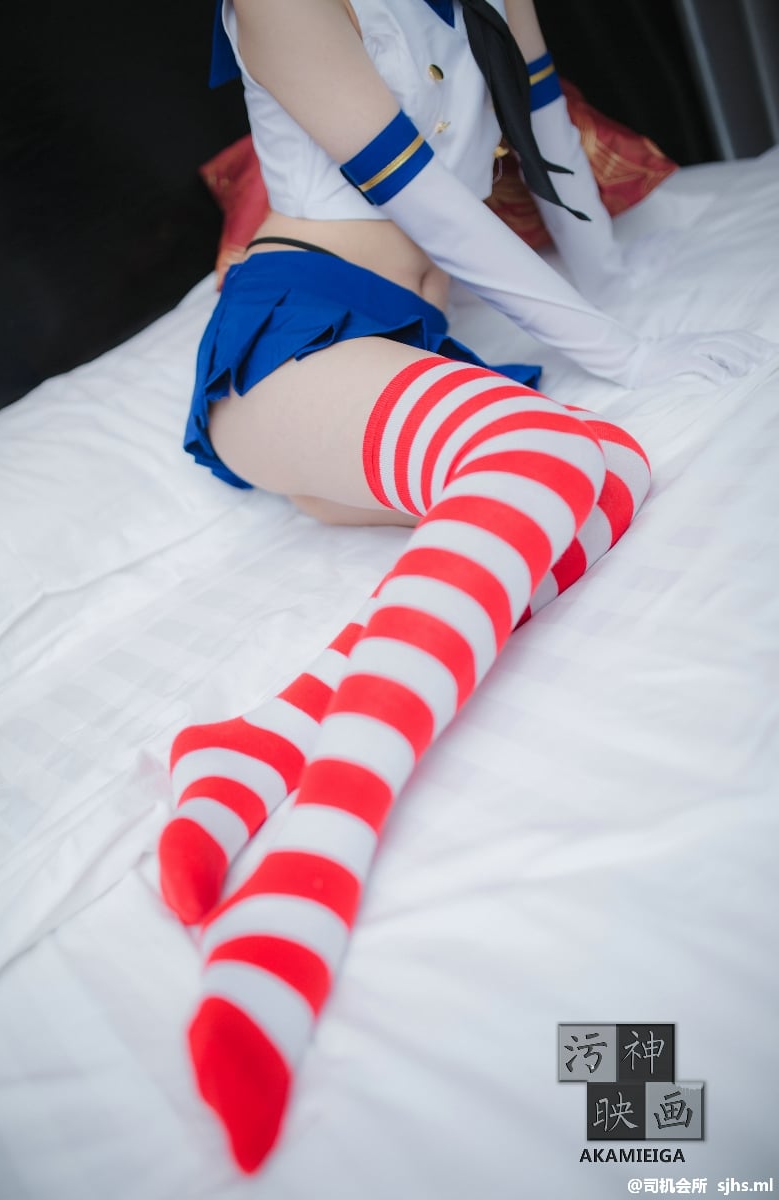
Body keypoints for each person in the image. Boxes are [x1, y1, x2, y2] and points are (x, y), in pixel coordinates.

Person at [158, 0, 772, 1172]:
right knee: (547, 458)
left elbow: (538, 129)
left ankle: (261, 744)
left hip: (403, 350)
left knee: (608, 471)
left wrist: (614, 290)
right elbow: (423, 198)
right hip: (296, 336)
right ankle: (305, 878)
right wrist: (619, 353)